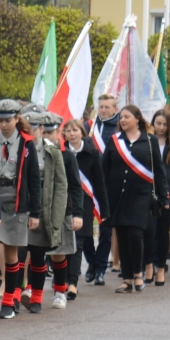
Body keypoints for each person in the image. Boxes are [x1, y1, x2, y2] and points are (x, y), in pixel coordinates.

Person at [0, 100, 41, 319]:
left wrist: (35, 212)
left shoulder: (26, 144)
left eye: (8, 120)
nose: (4, 124)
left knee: (11, 253)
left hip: (16, 203)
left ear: (17, 119)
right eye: (1, 120)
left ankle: (8, 300)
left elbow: (33, 180)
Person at [102, 105, 168, 294]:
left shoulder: (150, 140)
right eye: (121, 117)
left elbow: (158, 171)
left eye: (127, 117)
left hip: (141, 195)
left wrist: (163, 197)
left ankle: (138, 273)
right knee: (122, 237)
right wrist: (102, 198)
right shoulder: (115, 140)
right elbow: (104, 169)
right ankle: (126, 279)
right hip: (118, 197)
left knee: (135, 234)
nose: (122, 120)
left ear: (137, 119)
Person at [26, 110, 77, 311]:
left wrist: (77, 213)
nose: (45, 135)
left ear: (57, 132)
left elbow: (70, 186)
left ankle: (59, 290)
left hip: (58, 210)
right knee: (35, 254)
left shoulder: (63, 155)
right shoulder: (28, 150)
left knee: (58, 253)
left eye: (49, 132)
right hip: (34, 209)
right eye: (43, 131)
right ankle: (32, 293)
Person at [60, 117, 105, 297]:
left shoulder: (92, 153)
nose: (72, 134)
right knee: (63, 243)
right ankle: (62, 279)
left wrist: (104, 208)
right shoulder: (59, 151)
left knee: (78, 243)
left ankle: (72, 282)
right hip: (62, 201)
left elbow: (99, 181)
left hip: (83, 202)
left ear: (82, 132)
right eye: (68, 130)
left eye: (75, 130)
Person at [86, 94, 121, 280]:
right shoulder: (89, 127)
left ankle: (100, 269)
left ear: (115, 109)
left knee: (105, 230)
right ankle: (92, 262)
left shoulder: (119, 128)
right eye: (101, 107)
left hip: (108, 185)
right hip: (88, 183)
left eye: (107, 107)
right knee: (85, 229)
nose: (104, 110)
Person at [148, 109, 170, 285]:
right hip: (148, 191)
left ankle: (161, 268)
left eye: (165, 124)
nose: (161, 127)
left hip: (167, 193)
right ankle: (149, 266)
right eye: (158, 123)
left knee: (163, 232)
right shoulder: (147, 140)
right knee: (148, 232)